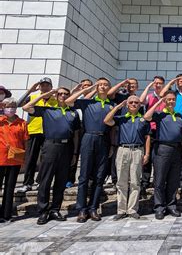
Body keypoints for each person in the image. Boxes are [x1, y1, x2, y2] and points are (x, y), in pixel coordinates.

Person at [23, 87, 81, 225]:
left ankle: (55, 209)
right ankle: (43, 210)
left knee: (60, 181)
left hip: (66, 148)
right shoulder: (48, 110)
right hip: (50, 146)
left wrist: (74, 153)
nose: (62, 96)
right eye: (60, 94)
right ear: (56, 95)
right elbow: (26, 107)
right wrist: (47, 94)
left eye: (66, 94)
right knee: (45, 180)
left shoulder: (73, 112)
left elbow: (76, 134)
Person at [65, 78, 114, 223]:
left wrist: (112, 145)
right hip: (88, 137)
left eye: (105, 84)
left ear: (109, 87)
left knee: (99, 177)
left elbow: (113, 128)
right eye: (100, 84)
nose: (102, 87)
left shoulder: (112, 105)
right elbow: (69, 101)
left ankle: (93, 207)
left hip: (104, 140)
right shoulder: (87, 102)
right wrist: (88, 89)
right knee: (84, 176)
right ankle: (82, 209)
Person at [104, 95, 151, 220]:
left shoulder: (143, 120)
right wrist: (118, 107)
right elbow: (107, 120)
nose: (134, 104)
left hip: (137, 150)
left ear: (140, 105)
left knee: (135, 181)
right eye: (131, 102)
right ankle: (121, 209)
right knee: (121, 182)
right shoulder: (121, 119)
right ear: (127, 104)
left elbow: (147, 137)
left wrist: (146, 154)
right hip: (123, 150)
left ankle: (132, 209)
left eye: (136, 102)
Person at [144, 90, 182, 220]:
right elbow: (146, 117)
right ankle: (159, 207)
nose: (171, 101)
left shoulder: (178, 115)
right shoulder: (159, 114)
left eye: (173, 99)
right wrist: (159, 103)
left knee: (173, 180)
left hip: (176, 150)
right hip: (162, 149)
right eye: (169, 99)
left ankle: (171, 205)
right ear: (165, 100)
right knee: (160, 180)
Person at [17, 77, 57, 192]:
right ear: (39, 87)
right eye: (42, 85)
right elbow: (19, 104)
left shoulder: (55, 100)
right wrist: (30, 91)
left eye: (47, 85)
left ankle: (41, 182)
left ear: (51, 87)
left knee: (46, 159)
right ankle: (27, 183)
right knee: (30, 158)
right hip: (33, 131)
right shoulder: (33, 97)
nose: (45, 87)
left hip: (48, 132)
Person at [161, 74, 182, 189]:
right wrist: (171, 82)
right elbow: (161, 94)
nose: (181, 81)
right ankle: (169, 178)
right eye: (178, 80)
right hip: (172, 127)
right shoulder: (172, 94)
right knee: (173, 154)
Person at [0, 98, 28, 223]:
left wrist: (25, 158)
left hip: (15, 158)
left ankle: (6, 214)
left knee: (10, 187)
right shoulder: (0, 121)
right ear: (3, 106)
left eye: (13, 106)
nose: (10, 108)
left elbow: (25, 141)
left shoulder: (22, 122)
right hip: (1, 157)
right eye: (8, 105)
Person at [139, 76, 166, 199]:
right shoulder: (149, 96)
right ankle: (144, 183)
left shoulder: (166, 98)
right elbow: (140, 101)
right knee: (147, 157)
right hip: (150, 130)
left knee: (158, 157)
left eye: (160, 83)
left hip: (162, 131)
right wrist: (148, 87)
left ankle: (157, 181)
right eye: (156, 83)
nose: (158, 85)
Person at [66, 79, 93, 188]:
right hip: (77, 127)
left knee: (89, 155)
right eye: (84, 85)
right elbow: (67, 101)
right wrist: (74, 90)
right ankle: (70, 179)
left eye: (88, 85)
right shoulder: (77, 98)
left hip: (89, 127)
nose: (86, 87)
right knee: (74, 152)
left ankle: (89, 178)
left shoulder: (95, 98)